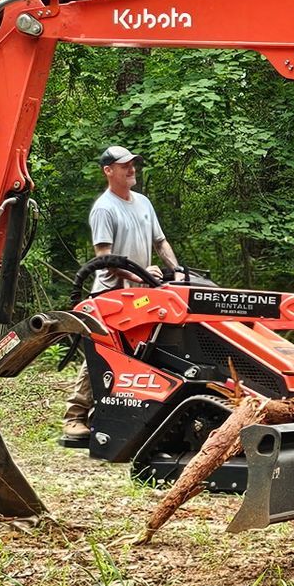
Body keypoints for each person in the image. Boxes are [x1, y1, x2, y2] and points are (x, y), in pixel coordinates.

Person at [61, 145, 184, 447]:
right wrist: (141, 273)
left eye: (133, 165)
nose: (132, 170)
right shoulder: (105, 208)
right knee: (101, 354)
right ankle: (74, 417)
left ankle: (111, 418)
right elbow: (105, 259)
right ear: (108, 171)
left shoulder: (142, 202)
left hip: (143, 294)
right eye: (125, 165)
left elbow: (161, 241)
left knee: (136, 357)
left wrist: (177, 269)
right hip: (111, 296)